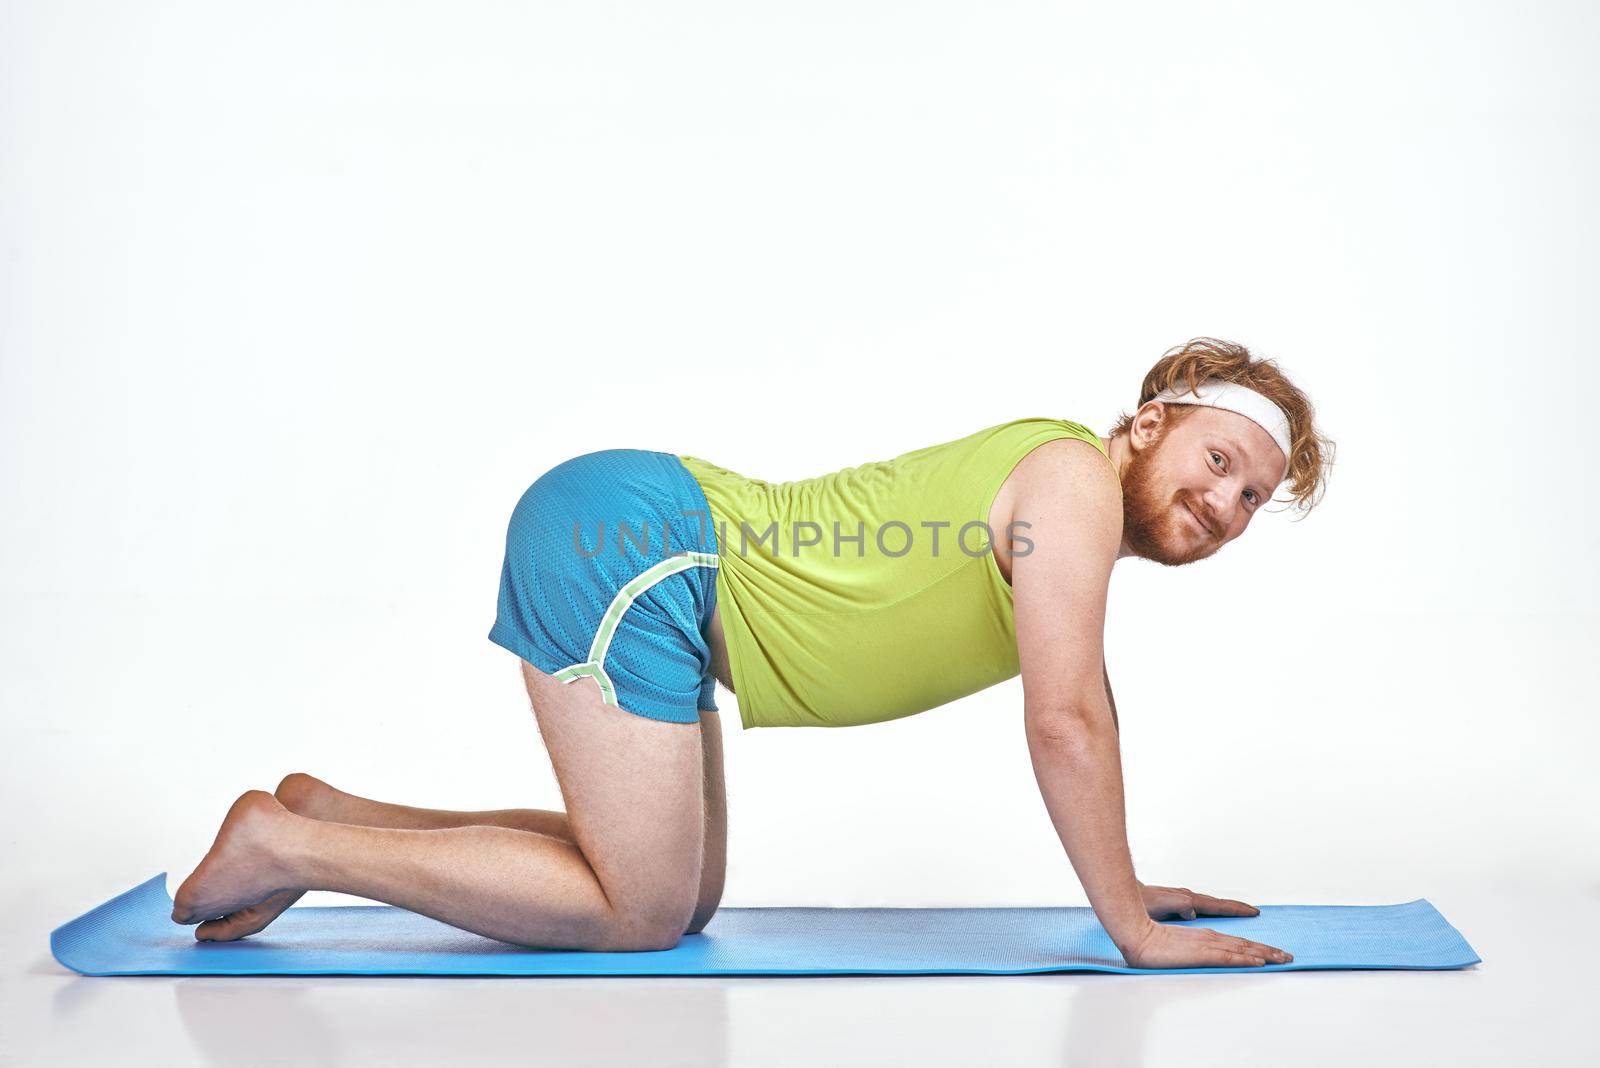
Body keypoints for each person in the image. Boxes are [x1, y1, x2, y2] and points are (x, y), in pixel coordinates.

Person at [170, 337, 1334, 970]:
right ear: (1146, 425)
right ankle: (288, 842)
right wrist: (1125, 933)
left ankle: (339, 814)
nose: (1226, 503)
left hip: (659, 552)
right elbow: (1063, 720)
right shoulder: (1074, 477)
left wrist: (1122, 885)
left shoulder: (1069, 506)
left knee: (679, 897)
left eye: (1251, 499)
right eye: (1218, 459)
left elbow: (1086, 699)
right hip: (635, 542)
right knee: (635, 912)